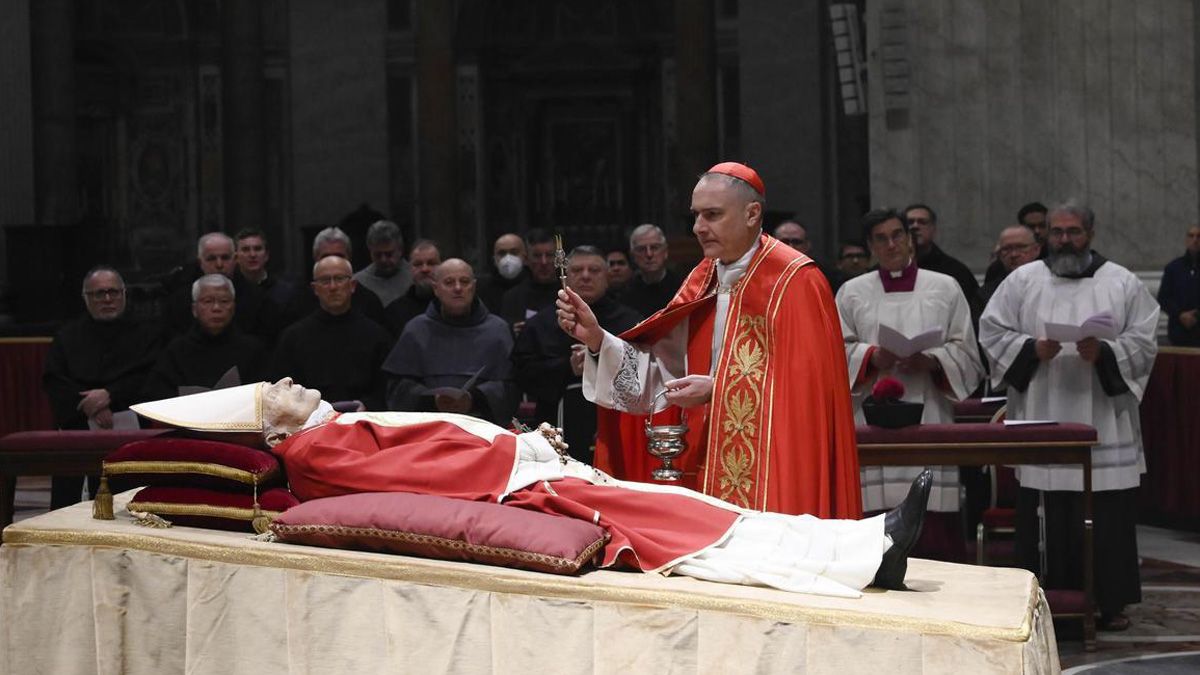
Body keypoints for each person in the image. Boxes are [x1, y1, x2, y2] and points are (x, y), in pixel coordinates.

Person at [130, 380, 934, 596]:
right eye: (278, 390)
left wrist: (517, 447)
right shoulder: (317, 449)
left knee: (694, 510)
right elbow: (414, 475)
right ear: (272, 430)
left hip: (524, 472)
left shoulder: (328, 426)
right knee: (685, 525)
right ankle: (864, 552)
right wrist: (518, 456)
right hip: (522, 492)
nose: (293, 383)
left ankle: (864, 542)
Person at [556, 162, 861, 519]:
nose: (698, 227)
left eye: (712, 215)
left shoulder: (795, 280)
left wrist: (718, 389)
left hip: (776, 473)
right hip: (704, 464)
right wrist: (596, 339)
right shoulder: (704, 278)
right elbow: (661, 373)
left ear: (752, 214)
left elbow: (808, 394)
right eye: (696, 215)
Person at [979, 200, 1159, 631]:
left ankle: (1109, 603)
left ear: (1090, 234)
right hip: (1042, 411)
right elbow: (992, 330)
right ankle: (1040, 604)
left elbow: (1145, 340)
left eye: (1073, 232)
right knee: (1048, 512)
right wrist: (1030, 349)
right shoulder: (1024, 280)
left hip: (1104, 420)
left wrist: (1106, 353)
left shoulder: (1122, 282)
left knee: (1106, 515)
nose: (1064, 240)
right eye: (1057, 232)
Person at [835, 210, 983, 558]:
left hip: (930, 409)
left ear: (909, 239)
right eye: (881, 239)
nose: (892, 244)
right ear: (871, 246)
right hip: (871, 414)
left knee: (933, 524)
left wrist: (932, 360)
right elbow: (833, 351)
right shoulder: (852, 292)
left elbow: (967, 351)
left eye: (897, 235)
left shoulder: (945, 287)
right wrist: (870, 356)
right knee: (875, 524)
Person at [43, 266, 162, 508]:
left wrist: (111, 395)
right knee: (69, 504)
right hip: (77, 426)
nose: (107, 299)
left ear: (124, 294)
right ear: (86, 297)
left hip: (128, 426)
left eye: (113, 292)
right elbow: (55, 380)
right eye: (99, 294)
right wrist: (91, 407)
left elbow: (150, 377)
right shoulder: (67, 336)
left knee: (126, 504)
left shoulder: (147, 334)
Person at [512, 246, 641, 463]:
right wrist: (567, 367)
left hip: (616, 423)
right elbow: (521, 373)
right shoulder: (540, 324)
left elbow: (643, 371)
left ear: (607, 276)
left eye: (594, 270)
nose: (586, 276)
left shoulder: (630, 321)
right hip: (555, 424)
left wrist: (601, 358)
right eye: (578, 270)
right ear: (565, 276)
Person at [383, 259, 518, 425]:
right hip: (427, 427)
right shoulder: (416, 329)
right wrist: (433, 400)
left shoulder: (497, 330)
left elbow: (512, 388)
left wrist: (474, 399)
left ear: (474, 286)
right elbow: (397, 389)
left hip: (483, 428)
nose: (458, 288)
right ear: (436, 289)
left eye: (465, 281)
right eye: (449, 282)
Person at [270, 256, 392, 411]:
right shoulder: (293, 338)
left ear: (352, 285)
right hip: (310, 422)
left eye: (339, 279)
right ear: (315, 289)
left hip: (362, 420)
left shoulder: (376, 336)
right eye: (325, 281)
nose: (333, 287)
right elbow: (283, 392)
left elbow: (386, 389)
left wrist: (368, 405)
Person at [142, 274, 267, 401]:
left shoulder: (252, 350)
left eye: (224, 301)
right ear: (194, 309)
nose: (216, 308)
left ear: (234, 307)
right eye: (208, 301)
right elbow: (156, 395)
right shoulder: (176, 352)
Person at [166, 232, 270, 339]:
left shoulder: (257, 299)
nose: (219, 265)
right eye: (211, 258)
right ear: (200, 262)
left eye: (225, 258)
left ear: (235, 259)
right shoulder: (180, 301)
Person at [295, 226, 390, 332]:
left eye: (339, 256)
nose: (333, 261)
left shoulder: (369, 302)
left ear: (349, 258)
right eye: (326, 257)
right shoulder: (298, 303)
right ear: (315, 259)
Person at [904, 204, 982, 321]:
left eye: (922, 222)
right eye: (910, 222)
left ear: (933, 229)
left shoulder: (956, 272)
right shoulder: (886, 270)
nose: (915, 226)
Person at [234, 228, 299, 339]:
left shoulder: (286, 292)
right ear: (236, 257)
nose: (252, 254)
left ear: (266, 255)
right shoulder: (230, 292)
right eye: (245, 250)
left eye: (257, 249)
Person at [383, 239, 442, 335]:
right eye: (418, 264)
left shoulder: (453, 306)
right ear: (410, 268)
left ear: (442, 267)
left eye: (431, 263)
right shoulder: (394, 312)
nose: (425, 269)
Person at [624, 224, 683, 318]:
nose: (649, 254)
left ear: (665, 252)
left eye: (655, 247)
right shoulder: (625, 293)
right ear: (633, 256)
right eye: (641, 249)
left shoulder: (682, 288)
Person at [354, 220, 413, 308]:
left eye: (389, 254)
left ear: (400, 250)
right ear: (370, 252)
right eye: (378, 255)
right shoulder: (358, 283)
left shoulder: (415, 278)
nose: (383, 260)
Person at [1157, 224, 1200, 346]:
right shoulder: (1173, 268)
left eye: (1198, 236)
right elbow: (1163, 298)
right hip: (1178, 331)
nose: (1195, 240)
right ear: (1186, 240)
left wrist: (1197, 315)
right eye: (1191, 236)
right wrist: (1180, 315)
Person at [979, 225, 1042, 306]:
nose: (1013, 254)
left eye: (1021, 247)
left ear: (1036, 249)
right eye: (1006, 249)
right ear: (999, 254)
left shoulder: (1051, 285)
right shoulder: (987, 295)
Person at [477, 232, 529, 313]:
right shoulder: (481, 288)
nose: (508, 258)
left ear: (525, 257)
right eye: (502, 253)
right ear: (494, 260)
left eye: (514, 252)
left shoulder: (535, 285)